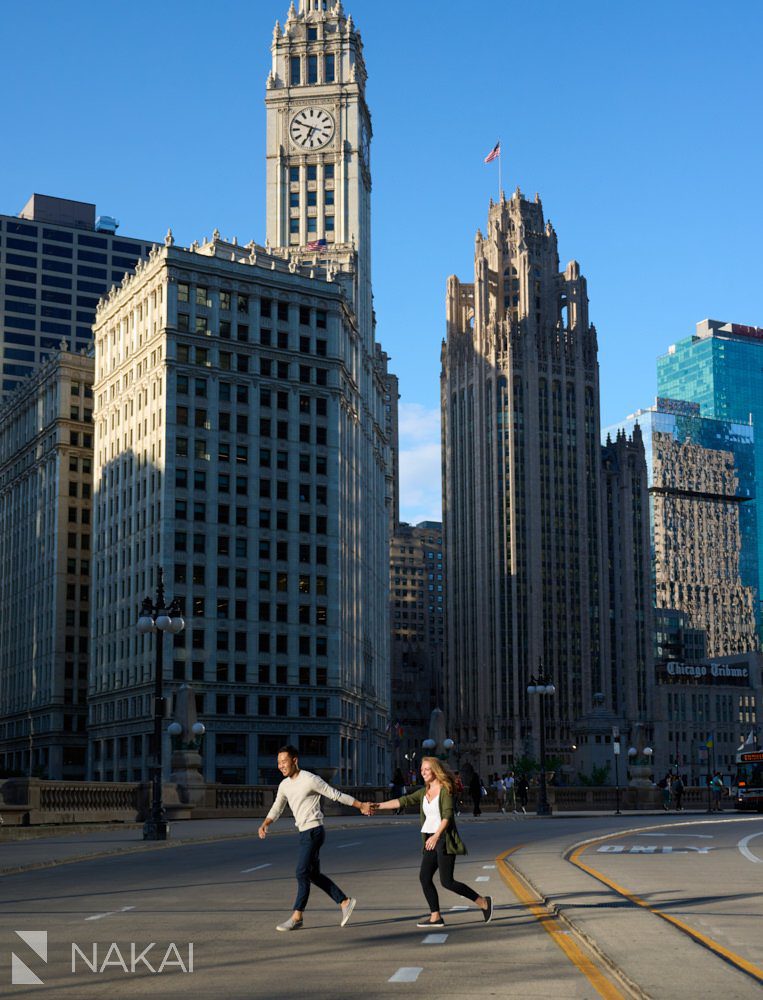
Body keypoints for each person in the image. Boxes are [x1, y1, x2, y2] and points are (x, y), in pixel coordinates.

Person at [258, 745, 373, 931]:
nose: (281, 766)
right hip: (304, 832)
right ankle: (344, 902)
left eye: (284, 762)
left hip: (314, 831)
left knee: (301, 872)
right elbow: (277, 807)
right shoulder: (284, 785)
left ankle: (297, 916)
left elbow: (335, 794)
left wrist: (360, 805)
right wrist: (266, 823)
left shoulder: (310, 779)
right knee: (313, 875)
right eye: (278, 763)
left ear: (295, 760)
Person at [372, 756, 493, 928]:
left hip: (443, 839)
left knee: (447, 881)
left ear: (435, 770)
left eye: (426, 769)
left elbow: (448, 816)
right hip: (430, 839)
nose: (423, 772)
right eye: (422, 770)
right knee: (424, 877)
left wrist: (436, 836)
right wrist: (377, 806)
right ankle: (435, 916)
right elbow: (402, 801)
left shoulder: (445, 790)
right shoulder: (424, 792)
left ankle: (483, 902)